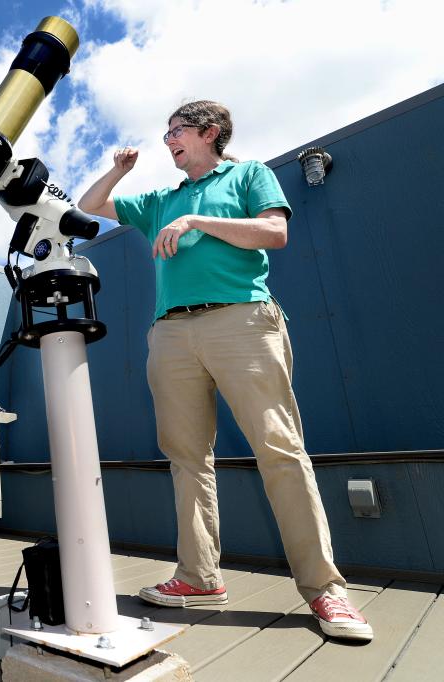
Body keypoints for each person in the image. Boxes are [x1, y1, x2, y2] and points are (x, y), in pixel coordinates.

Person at [78, 100, 373, 642]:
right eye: (166, 133)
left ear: (209, 132)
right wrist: (119, 172)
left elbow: (273, 233)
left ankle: (326, 591)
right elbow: (90, 204)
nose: (169, 140)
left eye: (178, 131)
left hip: (242, 321)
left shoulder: (249, 174)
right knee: (187, 458)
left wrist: (196, 221)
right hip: (171, 332)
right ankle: (199, 578)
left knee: (279, 450)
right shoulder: (159, 199)